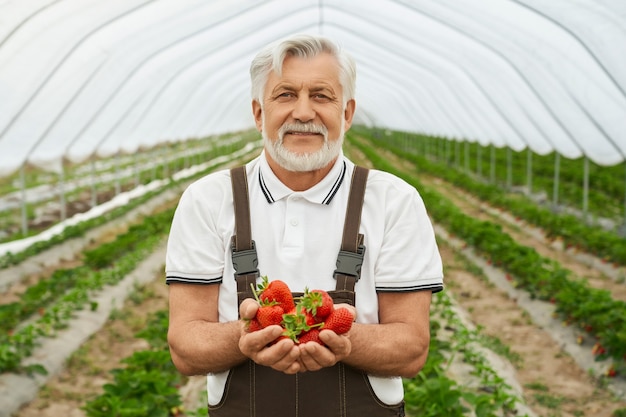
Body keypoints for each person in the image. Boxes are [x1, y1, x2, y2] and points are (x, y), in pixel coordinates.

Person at [165, 34, 443, 417]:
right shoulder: (208, 200)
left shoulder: (393, 202)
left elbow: (412, 347)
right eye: (284, 95)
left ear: (347, 113)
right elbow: (184, 345)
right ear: (258, 113)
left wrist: (344, 339)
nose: (303, 112)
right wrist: (245, 335)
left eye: (321, 95)